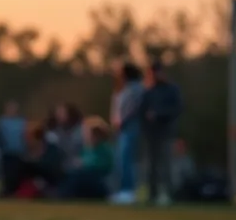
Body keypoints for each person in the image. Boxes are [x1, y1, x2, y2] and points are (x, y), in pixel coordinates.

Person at [140, 60, 183, 206]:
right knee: (151, 165)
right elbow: (141, 111)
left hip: (166, 132)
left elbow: (177, 109)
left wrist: (159, 114)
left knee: (166, 164)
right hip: (151, 134)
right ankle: (152, 195)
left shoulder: (171, 90)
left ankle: (169, 194)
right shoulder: (148, 91)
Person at [109, 61, 145, 205]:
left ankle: (128, 191)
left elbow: (132, 108)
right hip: (122, 129)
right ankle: (122, 190)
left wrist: (122, 120)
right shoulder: (122, 89)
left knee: (127, 160)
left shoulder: (135, 88)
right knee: (120, 160)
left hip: (130, 128)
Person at [56, 116, 113, 200]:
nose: (84, 135)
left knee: (77, 177)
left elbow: (105, 166)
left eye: (86, 132)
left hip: (99, 182)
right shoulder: (86, 149)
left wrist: (84, 164)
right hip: (85, 181)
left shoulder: (105, 149)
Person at [0, 100, 28, 197]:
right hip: (6, 152)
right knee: (6, 173)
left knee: (16, 173)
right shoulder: (1, 122)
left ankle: (15, 190)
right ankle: (6, 190)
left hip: (19, 152)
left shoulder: (22, 121)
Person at [50, 103, 85, 170]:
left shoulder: (81, 131)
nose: (58, 116)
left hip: (78, 167)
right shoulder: (55, 132)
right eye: (57, 113)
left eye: (61, 113)